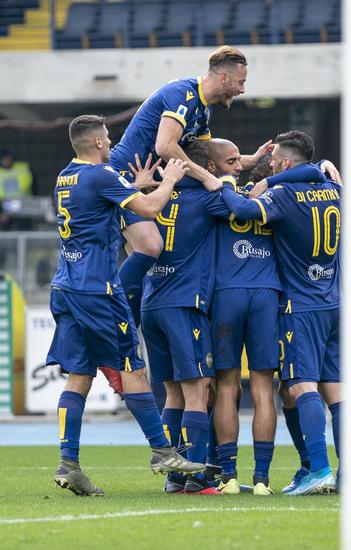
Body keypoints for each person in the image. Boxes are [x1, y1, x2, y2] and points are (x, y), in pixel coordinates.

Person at [46, 115, 205, 497]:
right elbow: (149, 210)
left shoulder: (66, 177)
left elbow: (98, 203)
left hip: (66, 287)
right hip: (98, 291)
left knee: (79, 375)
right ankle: (162, 452)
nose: (112, 142)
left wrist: (132, 186)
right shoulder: (101, 175)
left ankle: (69, 464)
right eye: (109, 137)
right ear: (99, 143)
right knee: (133, 369)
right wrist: (168, 180)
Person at [110, 45, 271, 327]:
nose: (242, 89)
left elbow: (214, 159)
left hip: (152, 182)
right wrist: (206, 177)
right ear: (223, 77)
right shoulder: (182, 93)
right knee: (150, 246)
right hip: (128, 177)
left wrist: (252, 160)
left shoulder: (203, 112)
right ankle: (111, 317)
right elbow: (165, 145)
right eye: (241, 82)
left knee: (145, 260)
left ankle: (125, 334)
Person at [220, 130, 342, 495]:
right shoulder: (334, 189)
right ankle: (340, 472)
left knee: (301, 385)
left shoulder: (285, 194)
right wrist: (318, 166)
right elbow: (318, 172)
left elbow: (243, 209)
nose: (270, 168)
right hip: (334, 301)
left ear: (286, 163)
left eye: (274, 163)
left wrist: (225, 182)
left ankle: (319, 469)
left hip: (300, 304)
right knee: (335, 391)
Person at [140, 142, 233, 495]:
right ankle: (197, 476)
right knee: (198, 391)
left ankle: (174, 476)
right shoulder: (205, 199)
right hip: (184, 304)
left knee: (172, 395)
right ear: (203, 166)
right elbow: (236, 203)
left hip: (151, 304)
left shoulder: (154, 197)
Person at [205, 139, 280, 497]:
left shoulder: (218, 196)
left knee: (227, 385)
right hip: (266, 292)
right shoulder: (273, 198)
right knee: (264, 387)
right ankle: (262, 479)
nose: (238, 166)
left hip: (227, 293)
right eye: (233, 161)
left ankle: (229, 476)